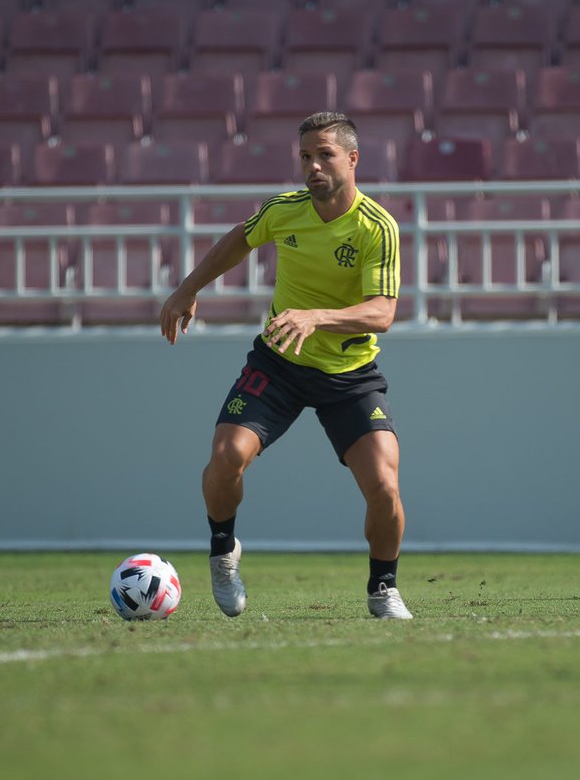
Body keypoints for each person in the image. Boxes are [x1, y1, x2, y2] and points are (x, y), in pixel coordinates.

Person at [159, 112, 413, 620]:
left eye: (325, 155)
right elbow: (238, 238)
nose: (312, 166)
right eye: (304, 157)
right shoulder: (284, 210)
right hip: (279, 363)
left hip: (349, 376)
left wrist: (317, 316)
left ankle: (382, 588)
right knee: (227, 454)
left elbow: (382, 312)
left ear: (352, 159)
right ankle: (223, 551)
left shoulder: (376, 226)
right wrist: (188, 289)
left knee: (384, 485)